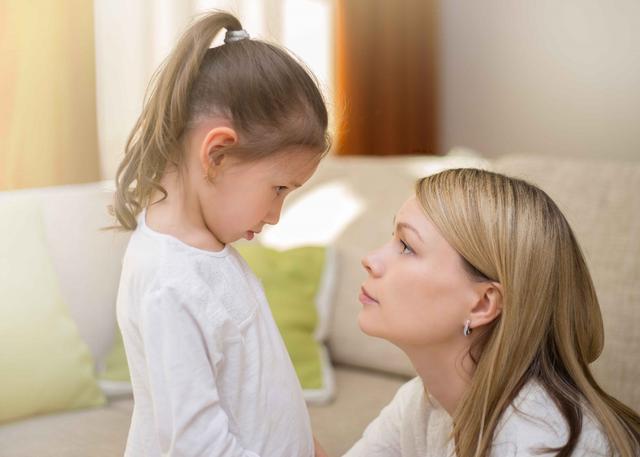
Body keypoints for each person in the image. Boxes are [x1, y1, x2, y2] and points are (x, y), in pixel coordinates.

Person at [112, 11, 330, 457]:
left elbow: (259, 387)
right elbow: (198, 447)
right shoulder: (170, 284)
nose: (275, 215)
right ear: (217, 154)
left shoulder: (208, 251)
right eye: (279, 188)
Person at [345, 169, 640, 456]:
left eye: (407, 246)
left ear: (482, 304)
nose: (370, 259)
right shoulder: (420, 404)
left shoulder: (536, 443)